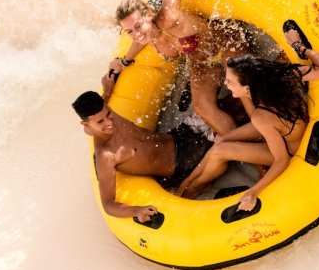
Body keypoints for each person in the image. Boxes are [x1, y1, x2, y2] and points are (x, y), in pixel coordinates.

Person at [175, 29, 319, 211]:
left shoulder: (262, 117)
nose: (226, 86)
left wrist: (254, 191)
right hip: (280, 127)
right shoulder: (282, 76)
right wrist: (298, 46)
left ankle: (191, 190)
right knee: (221, 140)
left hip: (289, 148)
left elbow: (281, 160)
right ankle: (187, 183)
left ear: (246, 88)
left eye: (230, 82)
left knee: (219, 151)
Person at [103, 0, 249, 136]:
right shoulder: (146, 37)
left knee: (241, 83)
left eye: (138, 26)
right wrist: (124, 62)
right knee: (202, 107)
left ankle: (263, 129)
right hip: (202, 63)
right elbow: (138, 42)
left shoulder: (169, 18)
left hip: (224, 42)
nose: (135, 34)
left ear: (149, 15)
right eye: (129, 31)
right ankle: (242, 143)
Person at [72, 90, 213, 222]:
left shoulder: (104, 114)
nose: (109, 123)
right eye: (100, 122)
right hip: (182, 161)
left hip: (177, 134)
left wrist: (110, 82)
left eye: (108, 114)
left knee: (221, 107)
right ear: (86, 124)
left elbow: (104, 100)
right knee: (223, 129)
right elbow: (108, 205)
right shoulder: (106, 156)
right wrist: (136, 211)